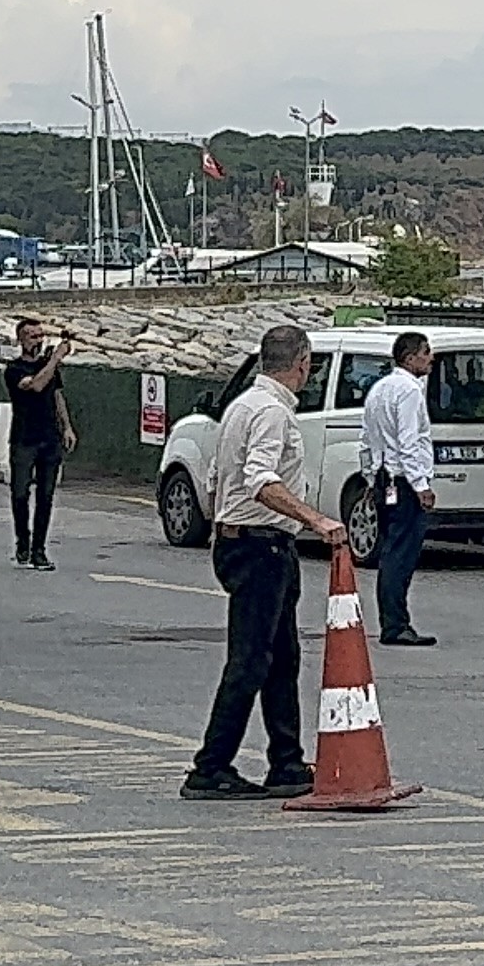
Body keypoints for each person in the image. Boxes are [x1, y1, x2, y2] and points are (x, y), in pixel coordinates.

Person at [184, 323, 348, 801]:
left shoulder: (243, 407)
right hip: (261, 544)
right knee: (251, 660)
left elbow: (216, 476)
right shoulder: (272, 413)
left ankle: (287, 762)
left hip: (249, 539)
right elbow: (260, 479)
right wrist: (315, 519)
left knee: (282, 659)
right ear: (302, 364)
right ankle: (210, 765)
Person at [359, 331, 437, 647]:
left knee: (392, 548)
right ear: (409, 358)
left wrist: (369, 476)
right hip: (402, 480)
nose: (430, 358)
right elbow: (408, 441)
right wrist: (421, 484)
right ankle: (395, 624)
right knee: (401, 554)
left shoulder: (380, 389)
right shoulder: (408, 391)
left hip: (383, 476)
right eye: (426, 352)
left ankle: (394, 620)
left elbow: (367, 438)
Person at [2, 316, 72, 570]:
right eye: (33, 336)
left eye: (41, 335)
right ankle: (23, 540)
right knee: (20, 493)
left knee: (46, 495)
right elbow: (37, 385)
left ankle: (39, 549)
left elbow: (56, 394)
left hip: (49, 437)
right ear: (21, 340)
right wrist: (55, 359)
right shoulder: (14, 370)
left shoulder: (50, 367)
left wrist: (67, 427)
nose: (38, 341)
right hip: (24, 438)